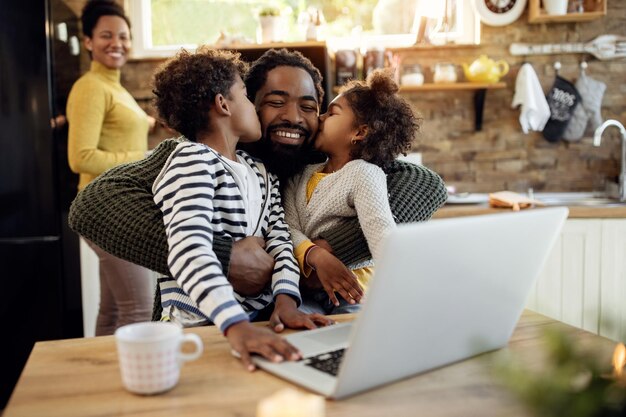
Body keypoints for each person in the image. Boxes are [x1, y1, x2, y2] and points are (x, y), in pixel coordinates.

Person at [69, 49, 447, 319]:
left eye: (310, 106)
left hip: (297, 318)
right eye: (275, 101)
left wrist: (325, 251)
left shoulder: (322, 158)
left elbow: (425, 183)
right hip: (206, 323)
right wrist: (224, 256)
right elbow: (92, 205)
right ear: (243, 104)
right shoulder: (197, 152)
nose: (293, 117)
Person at [150, 47, 332, 369]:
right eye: (249, 97)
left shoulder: (260, 172)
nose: (291, 115)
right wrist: (236, 326)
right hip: (198, 327)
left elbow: (280, 242)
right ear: (223, 104)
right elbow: (188, 249)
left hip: (253, 325)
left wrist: (287, 302)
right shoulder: (190, 160)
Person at [283, 69, 416, 314]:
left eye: (332, 113)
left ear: (359, 132)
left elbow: (382, 235)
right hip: (308, 291)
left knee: (356, 343)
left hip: (355, 291)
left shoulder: (364, 174)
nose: (320, 118)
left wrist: (403, 294)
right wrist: (315, 255)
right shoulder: (300, 174)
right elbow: (288, 228)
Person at [66, 0, 155, 336]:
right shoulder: (90, 87)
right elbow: (82, 157)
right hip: (104, 210)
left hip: (111, 208)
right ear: (88, 41)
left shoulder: (113, 87)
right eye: (106, 35)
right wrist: (146, 158)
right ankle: (133, 383)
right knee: (140, 308)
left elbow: (118, 129)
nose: (116, 43)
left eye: (123, 35)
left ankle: (97, 380)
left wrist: (146, 122)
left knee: (114, 308)